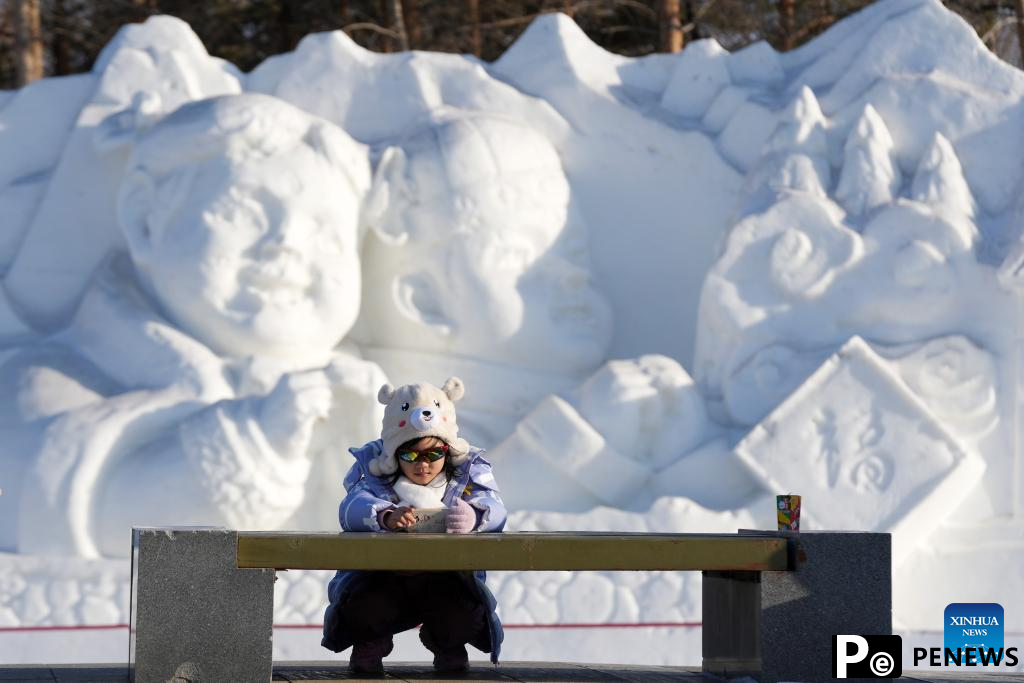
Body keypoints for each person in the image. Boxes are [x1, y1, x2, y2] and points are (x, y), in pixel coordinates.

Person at [0, 93, 386, 558]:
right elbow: (52, 504)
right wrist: (253, 449)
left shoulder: (374, 396)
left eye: (325, 234)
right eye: (245, 213)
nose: (287, 247)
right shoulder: (47, 382)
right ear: (144, 218)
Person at [321, 377, 506, 674]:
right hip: (384, 579)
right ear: (395, 455)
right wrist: (384, 516)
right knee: (364, 609)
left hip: (447, 580)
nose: (423, 464)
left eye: (433, 454)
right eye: (410, 454)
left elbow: (496, 509)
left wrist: (475, 515)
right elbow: (350, 508)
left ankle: (447, 643)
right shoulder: (375, 474)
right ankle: (371, 641)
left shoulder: (465, 474)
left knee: (460, 617)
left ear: (446, 452)